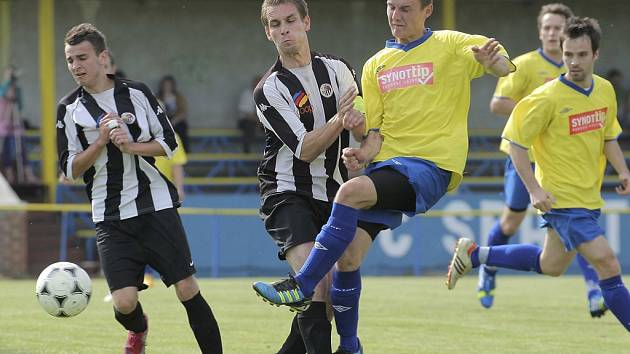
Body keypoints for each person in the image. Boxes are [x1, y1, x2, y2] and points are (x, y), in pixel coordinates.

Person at [252, 0, 514, 352]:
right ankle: (349, 345)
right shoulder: (373, 65)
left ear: (428, 10)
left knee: (320, 277)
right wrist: (361, 150)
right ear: (267, 31)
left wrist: (494, 64)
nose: (396, 15)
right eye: (392, 7)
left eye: (406, 8)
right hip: (295, 189)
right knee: (346, 260)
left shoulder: (448, 44)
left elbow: (501, 63)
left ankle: (302, 284)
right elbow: (365, 135)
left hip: (424, 167)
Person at [447, 17, 630, 333]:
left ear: (595, 55)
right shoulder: (546, 98)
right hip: (563, 201)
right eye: (568, 54)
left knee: (551, 265)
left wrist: (623, 169)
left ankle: (477, 255)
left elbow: (609, 135)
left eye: (581, 55)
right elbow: (515, 145)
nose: (573, 62)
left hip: (588, 198)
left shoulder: (605, 90)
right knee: (608, 264)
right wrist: (533, 189)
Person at [56, 23, 222, 353]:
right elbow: (69, 169)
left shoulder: (137, 92)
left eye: (82, 57)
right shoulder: (69, 109)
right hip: (110, 215)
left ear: (103, 58)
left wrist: (132, 147)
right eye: (70, 60)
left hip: (155, 204)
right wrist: (101, 142)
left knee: (187, 288)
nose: (76, 66)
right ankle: (139, 329)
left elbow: (170, 144)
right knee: (124, 302)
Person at [480, 3, 606, 317]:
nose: (552, 33)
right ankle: (488, 266)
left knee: (578, 220)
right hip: (523, 156)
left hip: (561, 162)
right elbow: (497, 104)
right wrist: (537, 112)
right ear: (540, 31)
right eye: (547, 27)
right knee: (511, 221)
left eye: (558, 28)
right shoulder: (523, 65)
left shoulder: (577, 68)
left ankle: (594, 289)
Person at [253, 1, 364, 353]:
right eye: (275, 24)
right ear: (268, 32)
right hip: (287, 193)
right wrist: (339, 120)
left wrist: (360, 143)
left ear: (307, 22)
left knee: (327, 300)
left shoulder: (338, 69)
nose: (284, 29)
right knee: (314, 288)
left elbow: (360, 119)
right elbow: (304, 149)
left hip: (332, 193)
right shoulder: (269, 89)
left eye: (290, 21)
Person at [0, 66, 38, 184]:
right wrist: (8, 84)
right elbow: (3, 94)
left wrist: (14, 93)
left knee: (22, 150)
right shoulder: (3, 88)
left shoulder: (17, 90)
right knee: (6, 152)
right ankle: (9, 176)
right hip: (3, 127)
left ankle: (28, 175)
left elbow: (19, 106)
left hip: (16, 126)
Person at [157, 75, 189, 151]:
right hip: (163, 119)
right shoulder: (158, 97)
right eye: (165, 85)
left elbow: (183, 112)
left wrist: (175, 120)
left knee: (182, 127)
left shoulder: (178, 97)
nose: (167, 87)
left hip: (176, 120)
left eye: (169, 85)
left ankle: (184, 150)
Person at [237, 75, 263, 153]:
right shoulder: (247, 94)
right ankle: (246, 151)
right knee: (249, 125)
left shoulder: (265, 94)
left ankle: (270, 152)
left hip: (261, 121)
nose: (257, 85)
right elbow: (245, 113)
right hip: (246, 120)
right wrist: (258, 121)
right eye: (255, 83)